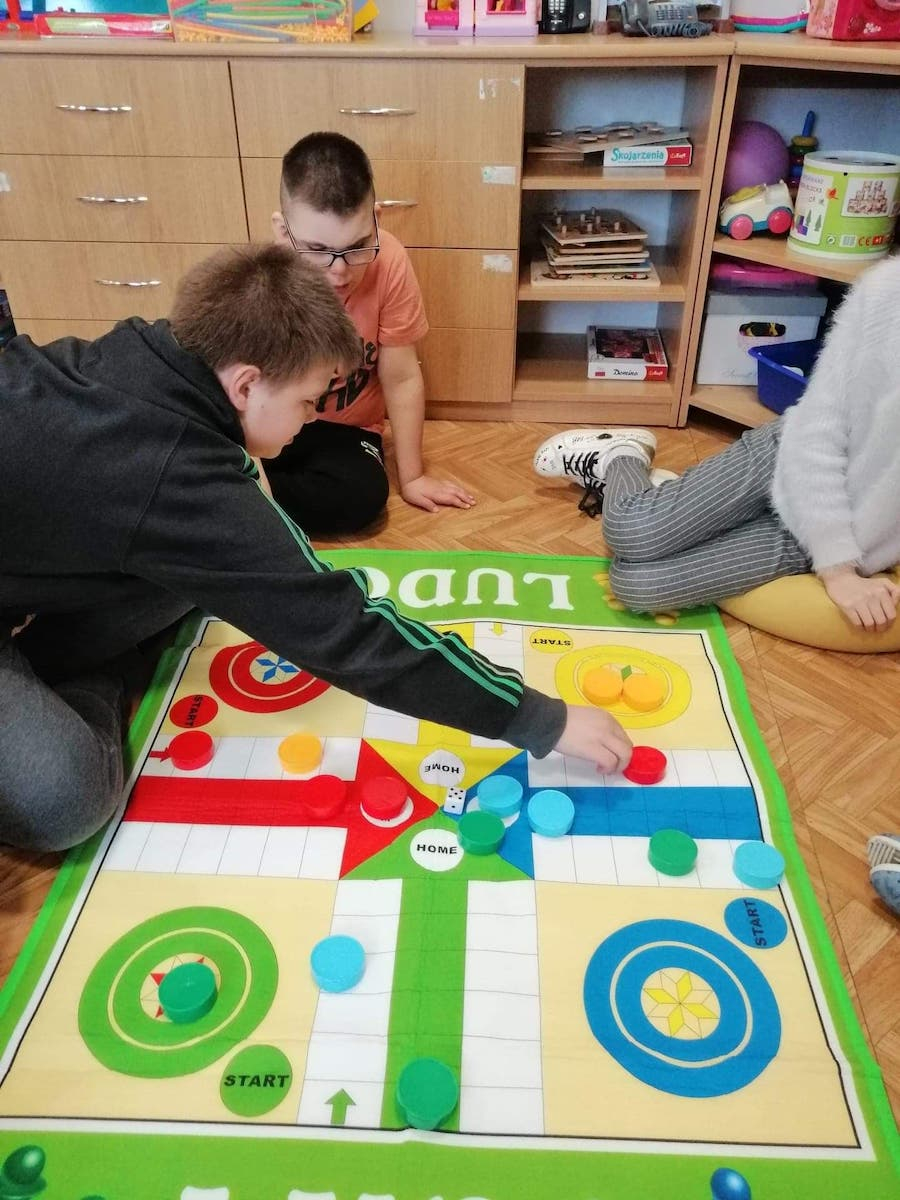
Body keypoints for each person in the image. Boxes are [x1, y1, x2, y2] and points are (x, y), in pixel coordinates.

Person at [0, 244, 631, 854]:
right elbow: (342, 631)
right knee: (67, 800)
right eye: (307, 401)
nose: (310, 419)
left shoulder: (147, 351)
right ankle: (78, 674)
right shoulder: (172, 472)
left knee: (207, 578)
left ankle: (45, 656)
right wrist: (538, 718)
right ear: (245, 384)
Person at [533, 255, 900, 633]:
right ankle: (621, 452)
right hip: (788, 460)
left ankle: (666, 495)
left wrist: (850, 561)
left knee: (635, 585)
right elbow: (818, 429)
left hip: (835, 534)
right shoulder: (887, 290)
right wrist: (838, 569)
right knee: (630, 528)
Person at [268, 130, 474, 534]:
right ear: (282, 232)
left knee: (363, 497)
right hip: (274, 421)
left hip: (345, 431)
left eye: (358, 246)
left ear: (376, 221)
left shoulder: (390, 260)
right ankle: (242, 496)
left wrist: (412, 477)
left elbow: (401, 377)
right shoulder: (266, 275)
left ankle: (244, 500)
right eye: (317, 250)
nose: (340, 271)